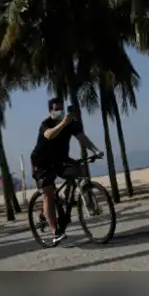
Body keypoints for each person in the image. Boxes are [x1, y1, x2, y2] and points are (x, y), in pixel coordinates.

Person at [30, 98, 103, 246]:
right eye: (56, 109)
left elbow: (82, 137)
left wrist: (95, 150)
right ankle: (55, 232)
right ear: (51, 111)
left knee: (79, 169)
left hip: (60, 160)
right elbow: (49, 135)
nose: (60, 111)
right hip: (42, 163)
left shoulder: (71, 123)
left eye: (61, 108)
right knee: (48, 194)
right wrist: (63, 123)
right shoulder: (46, 124)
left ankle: (67, 195)